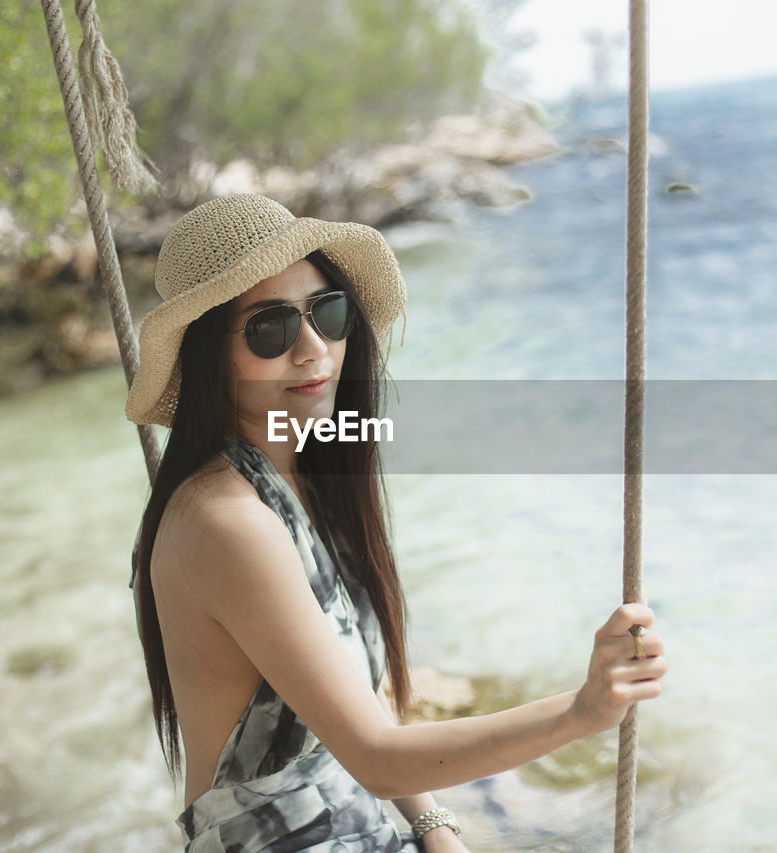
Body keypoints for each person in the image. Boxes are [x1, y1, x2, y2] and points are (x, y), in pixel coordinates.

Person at [125, 195, 667, 852]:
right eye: (270, 328)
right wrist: (581, 711)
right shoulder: (225, 521)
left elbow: (357, 701)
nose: (314, 348)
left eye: (329, 312)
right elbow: (378, 756)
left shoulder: (296, 475)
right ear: (212, 355)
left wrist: (436, 827)